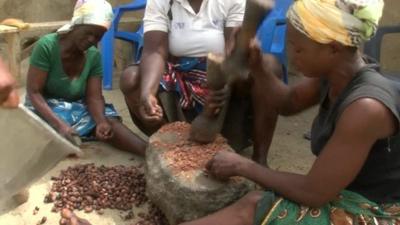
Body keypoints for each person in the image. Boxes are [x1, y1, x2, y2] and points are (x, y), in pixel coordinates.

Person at [179, 0, 400, 224]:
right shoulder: (335, 75)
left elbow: (314, 193)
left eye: (298, 48)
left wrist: (242, 165)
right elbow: (287, 102)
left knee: (252, 207)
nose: (291, 56)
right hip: (341, 191)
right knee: (257, 202)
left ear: (333, 48)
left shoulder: (366, 107)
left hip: (377, 211)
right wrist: (256, 65)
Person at [120, 0, 283, 165]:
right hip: (179, 75)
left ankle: (259, 158)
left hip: (221, 73)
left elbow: (233, 51)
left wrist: (231, 68)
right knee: (131, 79)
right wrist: (147, 92)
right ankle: (170, 146)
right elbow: (154, 50)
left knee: (269, 67)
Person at [25, 0, 146, 155]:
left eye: (98, 37)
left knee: (108, 121)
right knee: (36, 128)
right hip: (46, 105)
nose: (92, 40)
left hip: (78, 107)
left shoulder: (93, 56)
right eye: (89, 33)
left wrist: (101, 122)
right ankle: (66, 131)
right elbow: (34, 92)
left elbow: (94, 98)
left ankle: (148, 152)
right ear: (76, 25)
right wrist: (59, 124)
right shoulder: (47, 46)